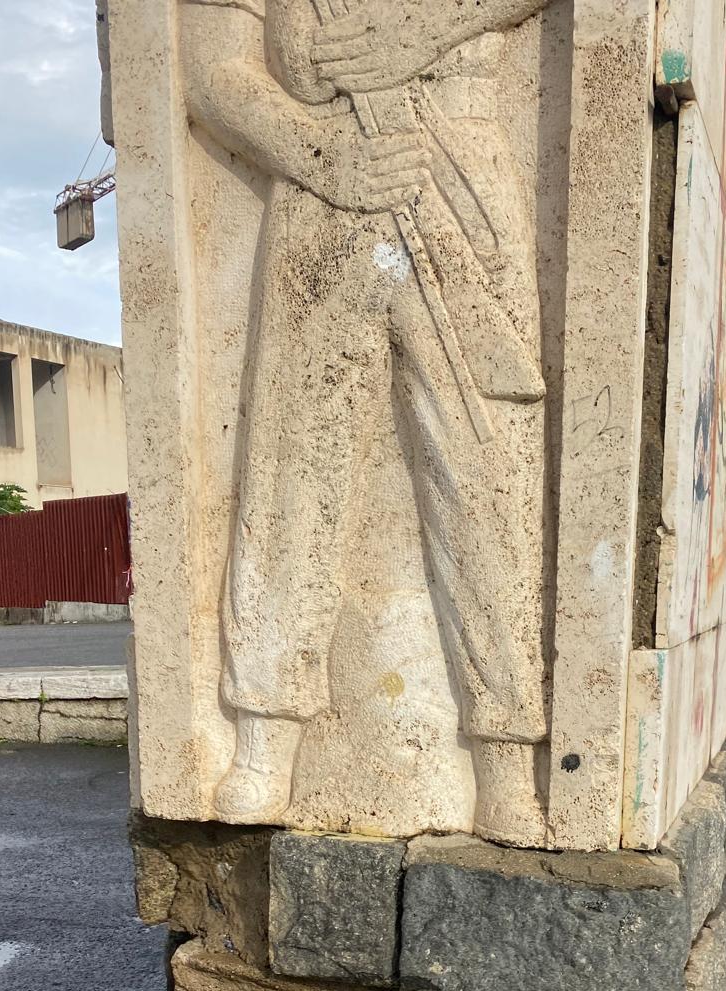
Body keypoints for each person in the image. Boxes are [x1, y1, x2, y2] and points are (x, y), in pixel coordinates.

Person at [184, 0, 554, 844]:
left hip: (458, 173)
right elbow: (216, 71)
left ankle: (504, 750)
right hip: (326, 192)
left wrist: (426, 30)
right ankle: (266, 735)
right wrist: (326, 156)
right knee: (291, 473)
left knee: (486, 475)